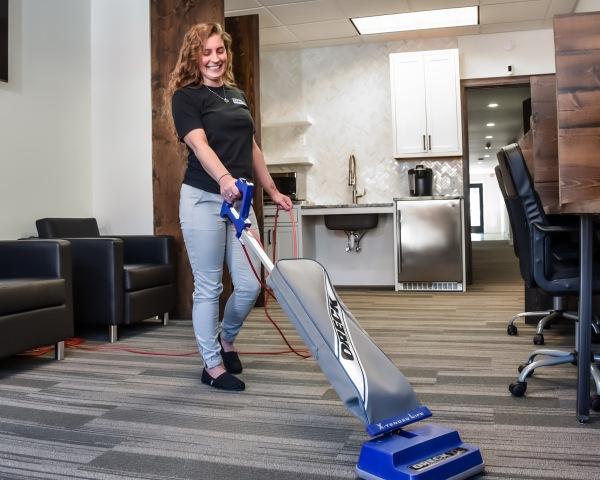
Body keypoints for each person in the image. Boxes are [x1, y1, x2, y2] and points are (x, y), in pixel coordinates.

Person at [166, 23, 292, 392]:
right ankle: (212, 365)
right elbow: (199, 144)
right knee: (208, 287)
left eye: (219, 50)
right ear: (194, 56)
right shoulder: (186, 97)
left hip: (242, 200)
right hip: (204, 197)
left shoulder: (237, 95)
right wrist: (223, 180)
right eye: (206, 52)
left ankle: (226, 338)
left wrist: (271, 188)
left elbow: (251, 147)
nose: (214, 58)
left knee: (252, 284)